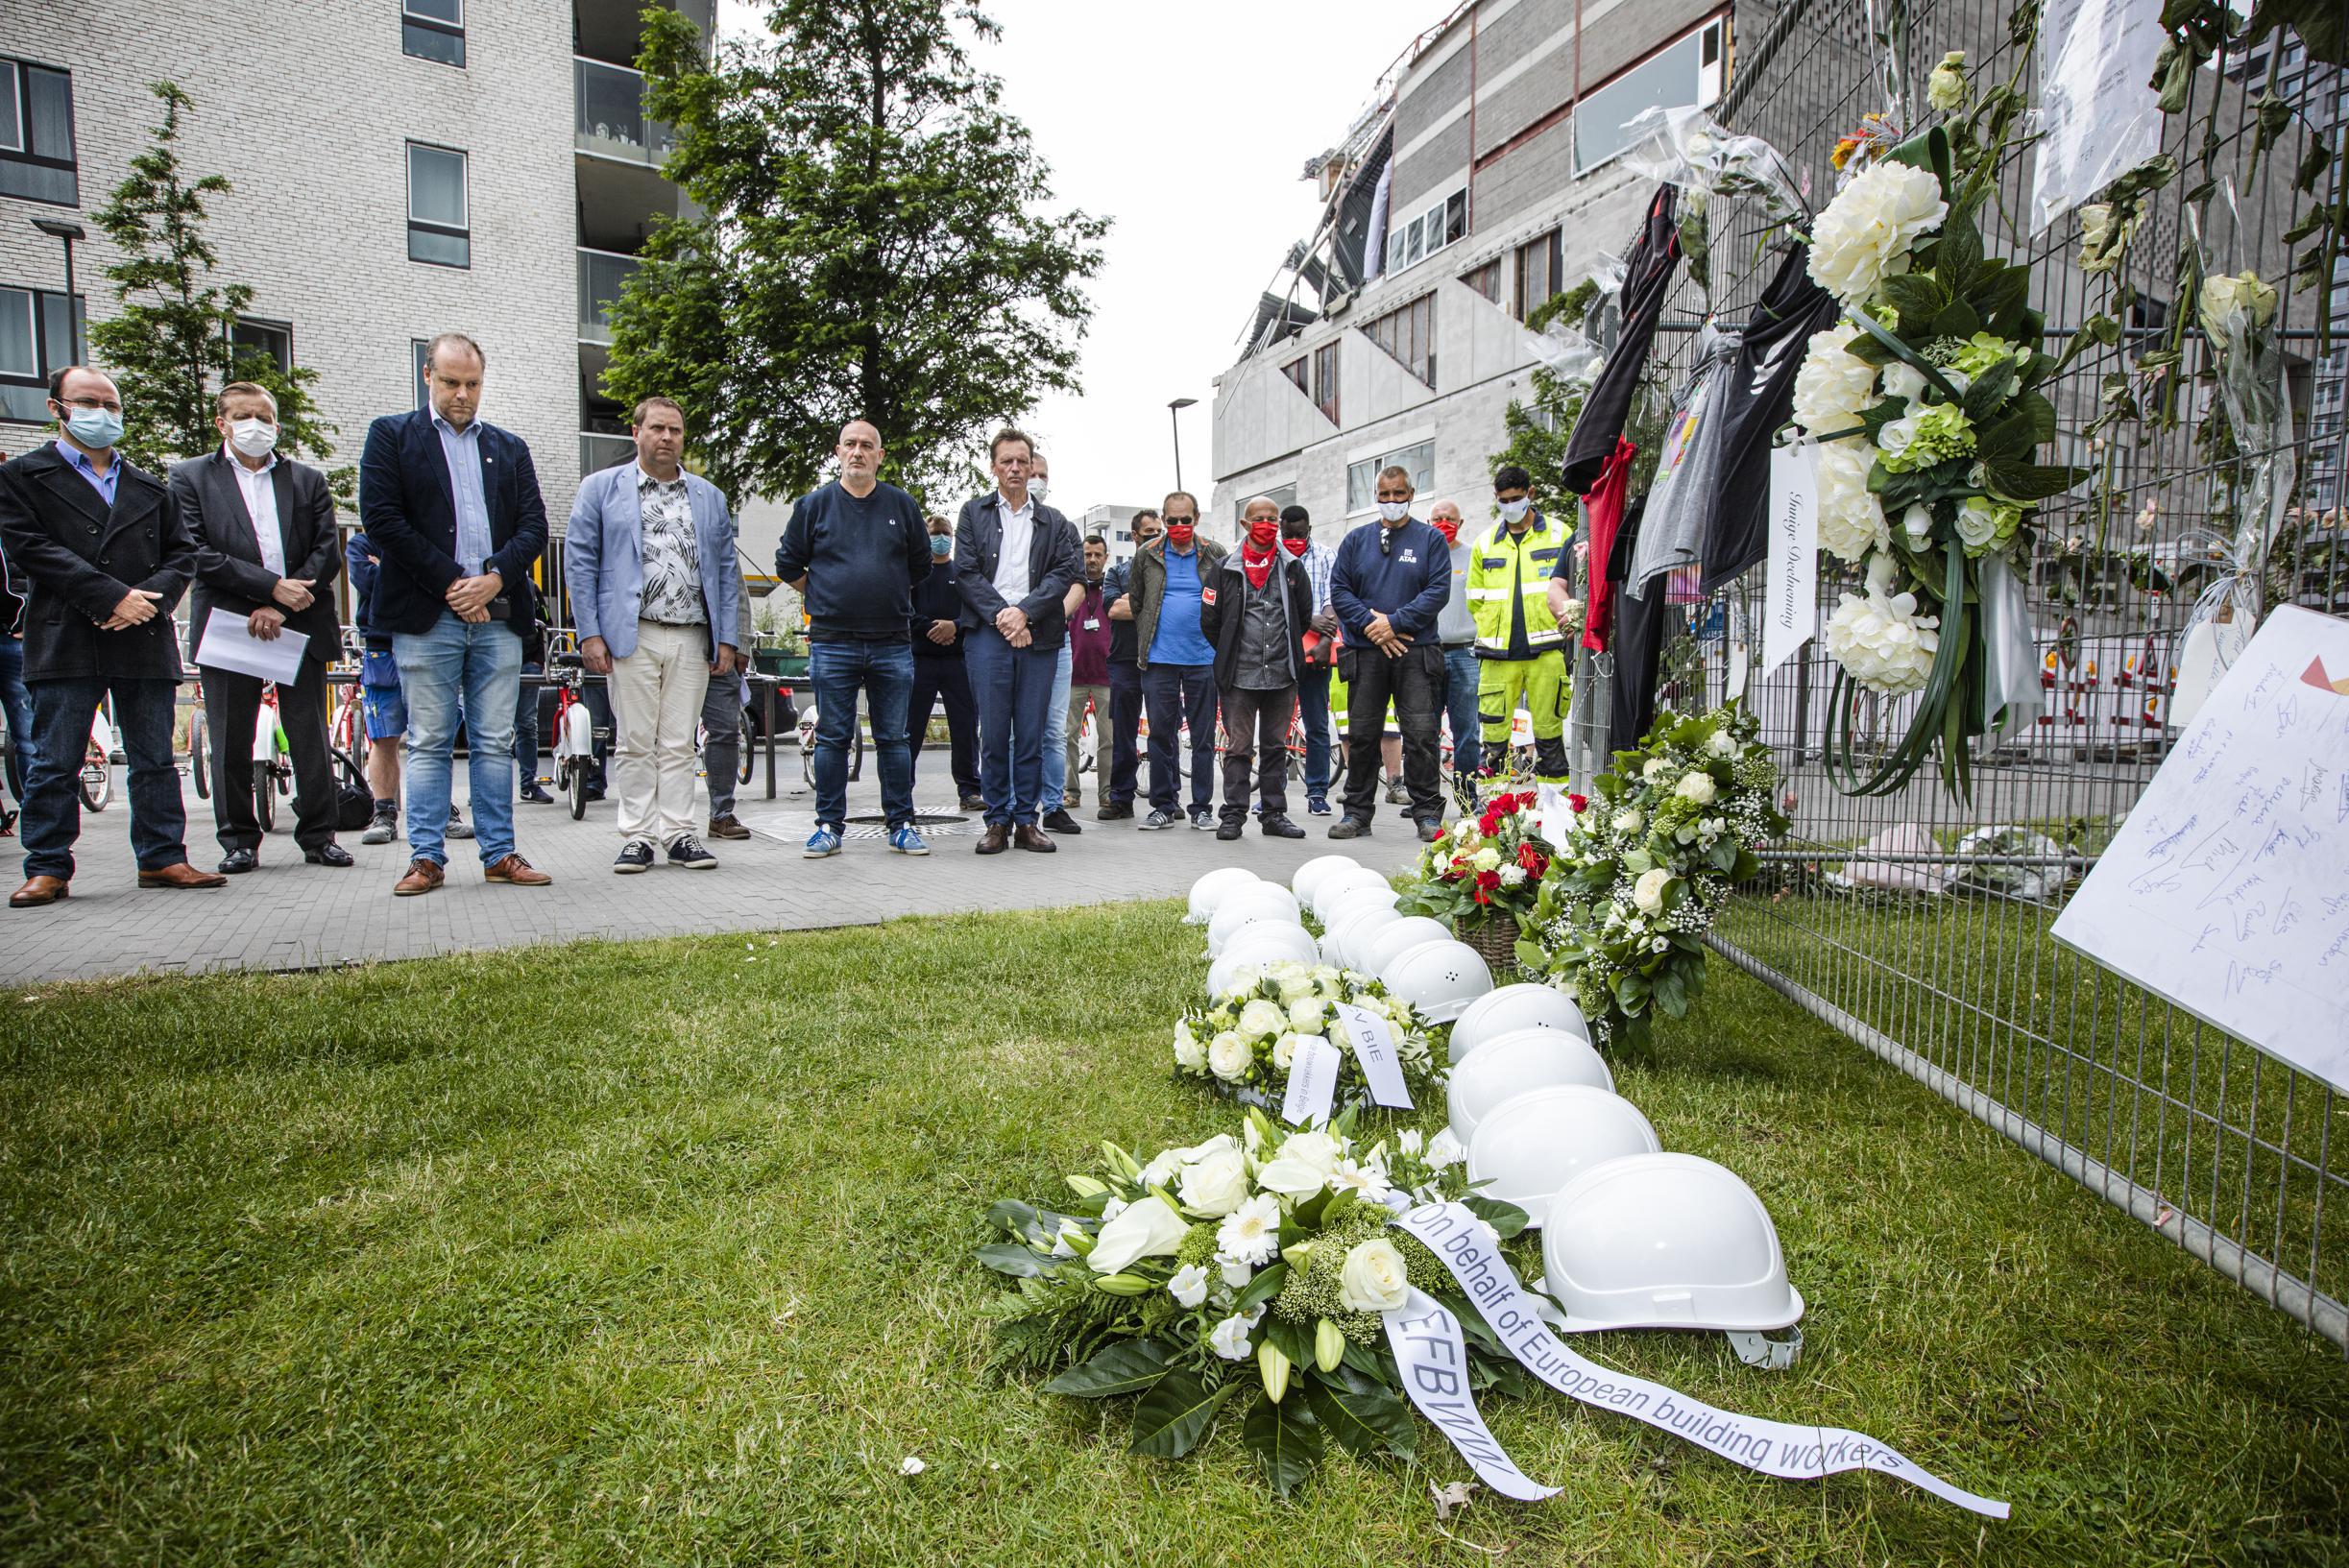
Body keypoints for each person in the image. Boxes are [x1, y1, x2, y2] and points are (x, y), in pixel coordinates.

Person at [0, 365, 226, 906]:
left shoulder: (150, 486)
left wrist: (145, 601)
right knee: (55, 759)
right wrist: (109, 598)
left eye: (111, 404)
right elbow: (30, 548)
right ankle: (48, 866)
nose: (102, 414)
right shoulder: (23, 477)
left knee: (153, 758)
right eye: (87, 402)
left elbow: (183, 552)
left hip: (142, 636)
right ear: (57, 407)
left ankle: (163, 857)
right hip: (66, 636)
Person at [358, 331, 552, 896]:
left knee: (494, 739)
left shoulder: (509, 447)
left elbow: (534, 525)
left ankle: (499, 853)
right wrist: (452, 584)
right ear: (428, 376)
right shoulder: (392, 436)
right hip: (426, 614)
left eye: (472, 383)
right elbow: (383, 519)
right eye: (451, 382)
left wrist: (493, 578)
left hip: (498, 613)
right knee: (428, 738)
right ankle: (425, 857)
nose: (462, 394)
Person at [169, 380, 351, 872]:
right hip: (231, 624)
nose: (257, 426)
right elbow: (195, 551)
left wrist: (286, 603)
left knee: (309, 734)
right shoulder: (188, 478)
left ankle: (319, 835)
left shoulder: (307, 479)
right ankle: (239, 841)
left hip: (299, 621)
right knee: (231, 736)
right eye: (245, 416)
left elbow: (325, 552)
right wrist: (269, 589)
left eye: (266, 417)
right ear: (221, 423)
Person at [568, 395, 741, 873]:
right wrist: (590, 634)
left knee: (681, 742)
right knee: (635, 740)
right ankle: (638, 836)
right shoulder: (600, 489)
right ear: (636, 433)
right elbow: (580, 564)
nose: (667, 438)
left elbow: (726, 572)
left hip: (691, 635)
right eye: (658, 429)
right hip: (631, 634)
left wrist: (728, 638)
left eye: (676, 431)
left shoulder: (708, 496)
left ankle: (680, 833)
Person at [777, 418, 932, 857]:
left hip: (891, 642)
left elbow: (920, 565)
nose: (858, 452)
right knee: (832, 738)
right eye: (850, 444)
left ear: (880, 455)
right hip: (832, 641)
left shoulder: (902, 506)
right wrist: (824, 592)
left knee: (894, 739)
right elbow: (788, 564)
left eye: (868, 445)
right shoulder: (814, 505)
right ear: (838, 452)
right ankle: (828, 826)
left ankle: (901, 824)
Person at [954, 428, 1079, 853]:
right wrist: (1004, 617)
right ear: (993, 467)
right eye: (1005, 461)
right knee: (993, 733)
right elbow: (966, 572)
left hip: (1038, 636)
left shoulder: (1054, 521)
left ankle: (1027, 820)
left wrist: (1024, 612)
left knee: (1030, 732)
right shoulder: (973, 513)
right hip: (989, 635)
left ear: (1030, 467)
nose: (1014, 468)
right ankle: (997, 821)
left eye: (1021, 461)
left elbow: (1063, 573)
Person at [1328, 465, 1448, 842]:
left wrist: (1394, 623)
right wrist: (1373, 626)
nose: (1392, 501)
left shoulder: (1430, 539)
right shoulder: (1355, 540)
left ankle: (1427, 813)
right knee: (1362, 735)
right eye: (1385, 495)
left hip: (1415, 651)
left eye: (1399, 494)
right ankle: (1357, 814)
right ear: (1375, 497)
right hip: (1366, 652)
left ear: (1411, 493)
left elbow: (1437, 591)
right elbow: (1340, 591)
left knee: (1421, 734)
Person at [347, 529, 475, 845]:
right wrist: (420, 574)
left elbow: (441, 582)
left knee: (436, 735)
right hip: (382, 646)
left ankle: (441, 812)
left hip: (429, 641)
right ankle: (384, 813)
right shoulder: (361, 543)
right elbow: (369, 582)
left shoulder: (431, 538)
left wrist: (389, 570)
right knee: (384, 736)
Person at [1199, 496, 1310, 840]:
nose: (1267, 524)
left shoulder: (1292, 567)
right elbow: (1210, 620)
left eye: (1272, 518)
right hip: (1239, 676)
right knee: (1239, 748)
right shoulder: (1224, 567)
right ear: (1245, 525)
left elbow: (1303, 616)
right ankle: (1233, 815)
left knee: (1276, 747)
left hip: (1281, 673)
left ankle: (1274, 814)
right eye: (1259, 518)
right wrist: (1232, 650)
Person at [1470, 465, 1572, 784]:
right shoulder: (1485, 543)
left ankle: (1554, 816)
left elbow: (1573, 588)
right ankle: (1492, 820)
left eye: (1516, 498)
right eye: (1503, 500)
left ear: (1531, 494)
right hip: (1498, 656)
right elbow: (1475, 599)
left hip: (1547, 651)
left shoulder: (1560, 534)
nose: (1510, 506)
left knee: (1549, 741)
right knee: (1494, 746)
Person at [1130, 490, 1223, 831]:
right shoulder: (1147, 554)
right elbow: (1137, 602)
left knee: (1202, 737)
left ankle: (1201, 808)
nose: (1180, 525)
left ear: (1197, 519)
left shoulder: (1214, 553)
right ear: (1164, 520)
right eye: (1173, 520)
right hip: (1159, 660)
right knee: (1160, 736)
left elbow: (1226, 602)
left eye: (1186, 520)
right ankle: (1163, 806)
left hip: (1203, 659)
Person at [908, 514, 981, 810]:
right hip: (920, 661)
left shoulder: (962, 573)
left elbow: (975, 611)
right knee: (910, 729)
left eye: (945, 532)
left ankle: (969, 790)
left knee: (965, 727)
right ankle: (902, 789)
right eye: (935, 532)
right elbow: (904, 609)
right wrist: (929, 628)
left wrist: (955, 625)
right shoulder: (914, 574)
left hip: (957, 661)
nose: (940, 537)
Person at [1095, 507, 1157, 820]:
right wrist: (1155, 603)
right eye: (1149, 534)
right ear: (1134, 536)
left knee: (1164, 732)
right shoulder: (1117, 573)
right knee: (1123, 735)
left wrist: (1132, 602)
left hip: (1161, 660)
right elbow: (1114, 610)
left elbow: (1127, 606)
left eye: (1159, 533)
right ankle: (1121, 799)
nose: (1156, 539)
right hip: (1124, 662)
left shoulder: (1173, 570)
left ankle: (1166, 799)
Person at [1279, 504, 1339, 814]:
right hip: (1278, 654)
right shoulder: (1272, 555)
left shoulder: (1327, 556)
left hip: (1316, 654)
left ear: (1309, 531)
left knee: (1317, 725)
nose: (1293, 540)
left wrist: (1325, 640)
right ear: (1280, 530)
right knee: (1275, 728)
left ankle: (1317, 793)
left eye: (1299, 535)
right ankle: (1272, 794)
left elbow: (1333, 602)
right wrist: (1308, 619)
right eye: (1288, 534)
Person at [1427, 497, 1483, 807]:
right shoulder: (1423, 558)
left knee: (1467, 733)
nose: (1443, 524)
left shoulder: (1473, 556)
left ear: (1460, 523)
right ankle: (1427, 800)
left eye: (1449, 518)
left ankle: (1466, 798)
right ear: (1427, 523)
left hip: (1465, 655)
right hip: (1428, 655)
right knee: (1425, 732)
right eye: (1437, 519)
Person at [700, 563, 755, 839]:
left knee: (726, 730)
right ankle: (655, 823)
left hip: (718, 645)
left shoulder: (710, 521)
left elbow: (736, 588)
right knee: (662, 738)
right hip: (662, 640)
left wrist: (742, 642)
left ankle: (720, 815)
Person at [1064, 534, 1113, 812]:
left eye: (1097, 554)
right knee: (1067, 736)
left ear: (1106, 557)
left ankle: (1107, 794)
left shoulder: (1113, 586)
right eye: (1087, 554)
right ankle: (1071, 792)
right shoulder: (1071, 588)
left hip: (1107, 675)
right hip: (1072, 675)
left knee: (1109, 739)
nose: (1092, 559)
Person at [2, 507, 34, 827]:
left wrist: (25, 618)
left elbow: (31, 565)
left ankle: (38, 816)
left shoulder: (12, 513)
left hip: (12, 637)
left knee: (27, 732)